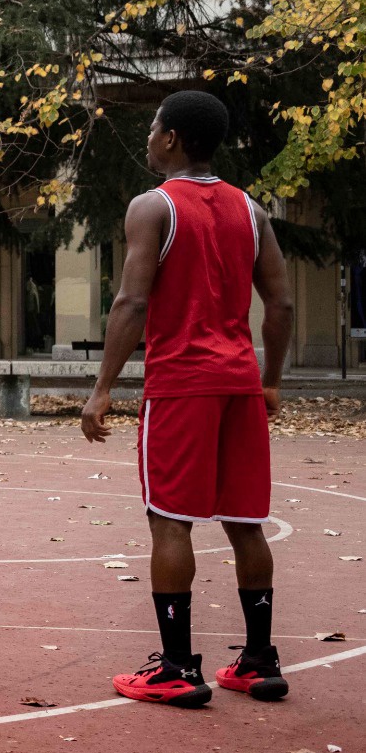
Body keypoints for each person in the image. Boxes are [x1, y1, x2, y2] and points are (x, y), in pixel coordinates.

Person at [82, 91, 293, 707]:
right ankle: (259, 662)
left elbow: (131, 301)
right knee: (245, 520)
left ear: (171, 138)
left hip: (181, 385)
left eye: (152, 129)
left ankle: (177, 667)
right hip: (238, 382)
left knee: (169, 519)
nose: (147, 138)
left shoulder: (154, 206)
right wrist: (270, 380)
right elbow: (278, 303)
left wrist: (100, 390)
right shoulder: (250, 210)